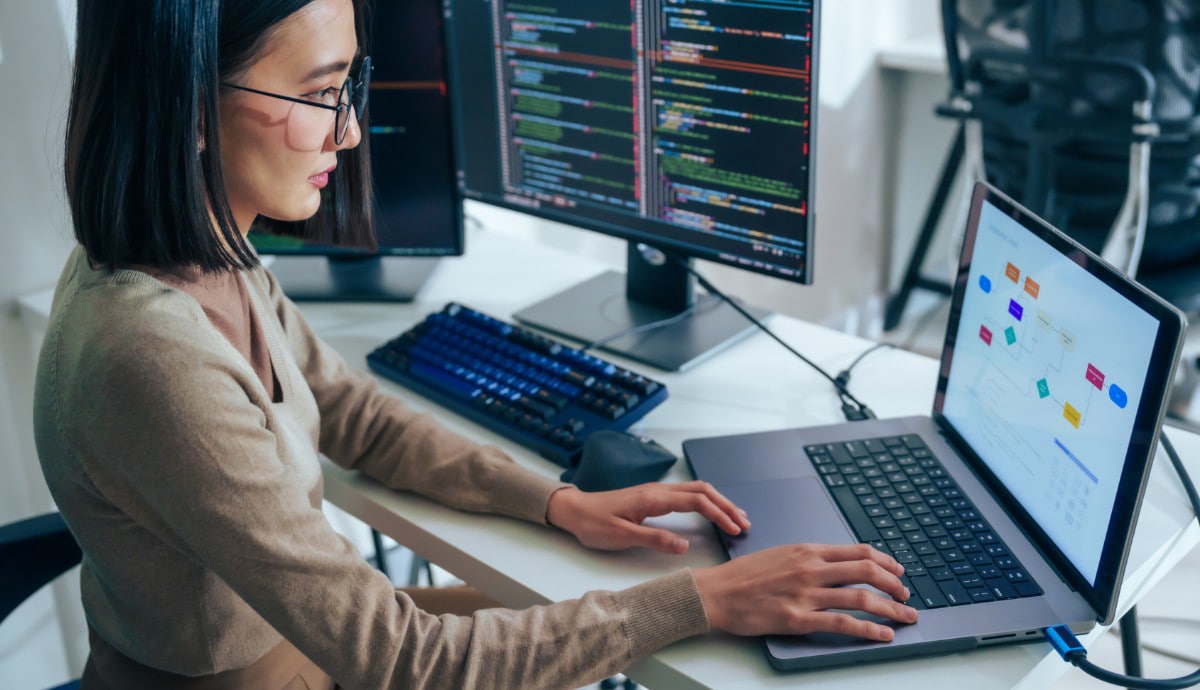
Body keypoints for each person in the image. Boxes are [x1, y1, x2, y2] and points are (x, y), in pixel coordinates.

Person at [33, 0, 919, 688]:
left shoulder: (209, 251)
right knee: (651, 639)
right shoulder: (151, 353)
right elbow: (400, 663)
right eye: (314, 96)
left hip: (305, 652)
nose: (348, 130)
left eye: (349, 85)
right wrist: (699, 599)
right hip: (275, 675)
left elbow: (351, 412)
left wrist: (555, 503)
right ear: (187, 107)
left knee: (606, 622)